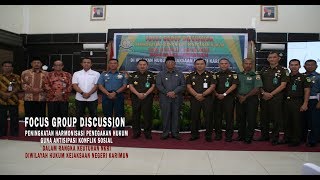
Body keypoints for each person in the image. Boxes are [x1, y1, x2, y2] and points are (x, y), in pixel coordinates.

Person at [257, 51, 289, 145]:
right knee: (264, 118)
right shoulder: (264, 69)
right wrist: (263, 93)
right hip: (264, 97)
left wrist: (271, 94)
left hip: (276, 98)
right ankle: (264, 136)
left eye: (274, 57)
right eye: (270, 57)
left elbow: (283, 85)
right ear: (267, 59)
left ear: (278, 58)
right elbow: (259, 84)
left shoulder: (284, 70)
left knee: (276, 119)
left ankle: (274, 137)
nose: (272, 59)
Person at [156, 56, 186, 140]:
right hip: (165, 98)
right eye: (168, 62)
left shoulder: (180, 74)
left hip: (177, 98)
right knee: (165, 116)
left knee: (176, 115)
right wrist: (168, 93)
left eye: (172, 62)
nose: (170, 64)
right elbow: (158, 85)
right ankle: (165, 133)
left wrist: (174, 92)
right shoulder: (160, 74)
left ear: (175, 64)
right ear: (165, 64)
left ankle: (175, 133)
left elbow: (183, 85)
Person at [186, 58, 216, 142]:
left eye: (201, 64)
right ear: (195, 65)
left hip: (207, 99)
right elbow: (188, 87)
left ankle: (208, 135)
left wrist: (203, 95)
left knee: (208, 117)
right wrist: (196, 95)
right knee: (194, 117)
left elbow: (212, 86)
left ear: (205, 65)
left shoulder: (211, 75)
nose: (199, 65)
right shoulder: (190, 75)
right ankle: (194, 135)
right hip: (195, 99)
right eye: (198, 64)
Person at [235, 58, 262, 144]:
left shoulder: (256, 75)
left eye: (250, 64)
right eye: (246, 63)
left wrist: (245, 97)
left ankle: (248, 137)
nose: (248, 65)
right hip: (239, 99)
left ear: (252, 65)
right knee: (240, 119)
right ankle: (241, 136)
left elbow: (257, 89)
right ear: (243, 65)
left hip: (251, 100)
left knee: (251, 119)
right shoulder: (238, 75)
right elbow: (234, 87)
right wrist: (239, 96)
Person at [283, 59, 310, 147]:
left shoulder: (304, 77)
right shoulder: (286, 76)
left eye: (296, 65)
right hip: (286, 101)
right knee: (287, 121)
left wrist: (305, 103)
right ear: (289, 66)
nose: (293, 66)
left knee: (297, 121)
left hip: (297, 101)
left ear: (299, 66)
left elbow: (307, 91)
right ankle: (287, 138)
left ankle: (296, 139)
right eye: (291, 65)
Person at [128, 59, 155, 139]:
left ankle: (147, 133)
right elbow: (130, 86)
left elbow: (153, 86)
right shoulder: (132, 75)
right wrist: (138, 94)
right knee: (135, 116)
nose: (142, 66)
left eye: (144, 64)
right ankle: (136, 133)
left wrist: (146, 94)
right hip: (135, 97)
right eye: (140, 64)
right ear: (137, 66)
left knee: (147, 116)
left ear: (147, 66)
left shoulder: (151, 75)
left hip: (147, 97)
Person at [213, 58, 239, 142]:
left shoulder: (233, 74)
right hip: (217, 99)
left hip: (229, 99)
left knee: (229, 118)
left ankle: (229, 136)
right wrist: (217, 94)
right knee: (217, 117)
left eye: (225, 63)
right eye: (222, 63)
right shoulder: (215, 74)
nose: (224, 65)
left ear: (228, 65)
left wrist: (224, 94)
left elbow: (234, 85)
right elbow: (212, 86)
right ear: (219, 65)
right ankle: (218, 135)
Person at [98, 59, 127, 131]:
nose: (113, 65)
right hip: (106, 95)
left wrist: (115, 93)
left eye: (115, 63)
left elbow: (124, 86)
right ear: (108, 65)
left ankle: (120, 130)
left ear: (117, 65)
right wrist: (108, 93)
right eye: (111, 63)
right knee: (107, 114)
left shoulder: (122, 74)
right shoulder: (103, 74)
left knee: (120, 113)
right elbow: (100, 85)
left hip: (118, 95)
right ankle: (107, 130)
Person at [72, 58, 100, 130]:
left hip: (93, 98)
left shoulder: (96, 74)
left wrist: (89, 93)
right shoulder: (76, 73)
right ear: (81, 64)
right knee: (79, 115)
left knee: (93, 115)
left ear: (91, 64)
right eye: (84, 62)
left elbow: (97, 85)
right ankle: (78, 130)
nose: (86, 64)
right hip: (79, 98)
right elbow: (74, 85)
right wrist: (82, 93)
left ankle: (94, 130)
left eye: (88, 62)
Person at [44, 60, 72, 130]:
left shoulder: (68, 75)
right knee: (52, 115)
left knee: (63, 115)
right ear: (53, 66)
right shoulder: (48, 74)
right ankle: (52, 130)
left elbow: (70, 86)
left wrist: (62, 93)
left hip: (64, 98)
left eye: (60, 65)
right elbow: (46, 85)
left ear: (63, 66)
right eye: (56, 65)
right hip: (52, 98)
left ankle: (62, 130)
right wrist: (55, 93)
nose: (58, 66)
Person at [21, 58, 47, 130]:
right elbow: (23, 84)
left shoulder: (46, 73)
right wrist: (33, 89)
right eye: (34, 62)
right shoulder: (25, 72)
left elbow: (48, 84)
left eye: (38, 62)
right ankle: (30, 129)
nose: (36, 64)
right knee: (29, 115)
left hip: (41, 97)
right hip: (29, 97)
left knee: (41, 115)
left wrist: (40, 89)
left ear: (41, 64)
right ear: (31, 64)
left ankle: (41, 130)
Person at [0, 61, 21, 137]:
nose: (7, 68)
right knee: (1, 118)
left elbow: (18, 87)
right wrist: (4, 94)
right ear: (2, 67)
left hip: (13, 100)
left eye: (9, 66)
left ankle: (14, 133)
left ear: (12, 68)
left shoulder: (16, 77)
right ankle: (2, 133)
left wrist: (10, 94)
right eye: (5, 66)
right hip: (1, 100)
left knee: (14, 118)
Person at [302, 59, 320, 147]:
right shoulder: (301, 76)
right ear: (304, 66)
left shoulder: (318, 77)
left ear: (316, 66)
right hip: (302, 101)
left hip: (314, 101)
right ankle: (303, 139)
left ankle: (313, 140)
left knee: (314, 122)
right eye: (307, 65)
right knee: (303, 121)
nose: (309, 66)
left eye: (312, 65)